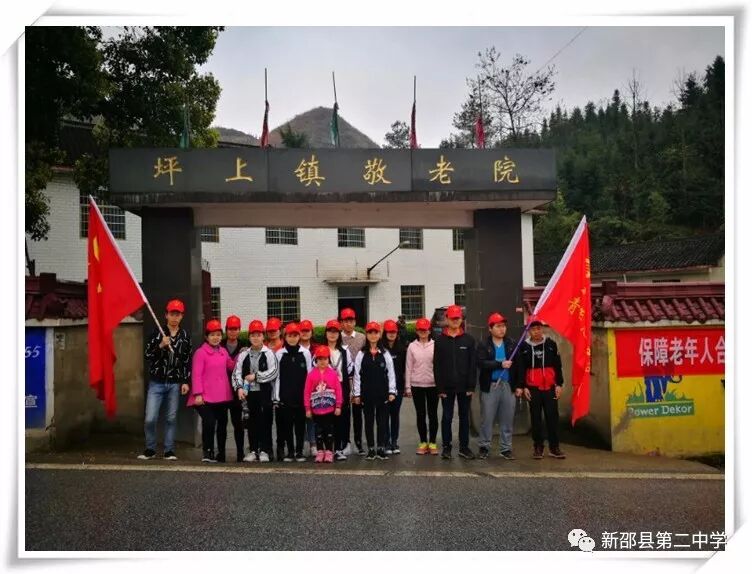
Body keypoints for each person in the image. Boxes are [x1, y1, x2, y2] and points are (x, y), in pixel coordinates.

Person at [139, 299, 192, 461]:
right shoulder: (157, 333)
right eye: (172, 314)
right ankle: (150, 449)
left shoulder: (185, 336)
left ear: (182, 316)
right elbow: (147, 355)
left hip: (174, 383)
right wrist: (161, 345)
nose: (175, 317)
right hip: (157, 382)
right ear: (166, 315)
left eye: (178, 314)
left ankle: (169, 450)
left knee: (171, 418)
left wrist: (185, 381)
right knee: (150, 418)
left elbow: (187, 361)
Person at [516, 320, 566, 460]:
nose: (536, 331)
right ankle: (538, 446)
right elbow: (521, 368)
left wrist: (559, 384)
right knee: (535, 418)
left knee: (552, 418)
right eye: (533, 329)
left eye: (538, 328)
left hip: (550, 388)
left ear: (542, 329)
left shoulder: (551, 344)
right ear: (528, 331)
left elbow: (558, 366)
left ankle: (554, 447)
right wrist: (524, 386)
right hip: (533, 389)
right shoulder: (524, 347)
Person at [433, 304, 477, 460]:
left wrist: (471, 385)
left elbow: (472, 365)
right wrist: (440, 388)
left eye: (457, 318)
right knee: (447, 417)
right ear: (447, 319)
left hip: (464, 386)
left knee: (464, 417)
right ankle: (446, 447)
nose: (455, 321)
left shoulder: (469, 340)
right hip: (446, 387)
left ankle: (464, 447)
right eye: (452, 318)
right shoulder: (440, 341)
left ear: (461, 319)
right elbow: (437, 365)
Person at [188, 319, 234, 462]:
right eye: (212, 335)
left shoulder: (223, 351)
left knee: (222, 425)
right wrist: (198, 394)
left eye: (218, 335)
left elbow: (231, 366)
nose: (216, 337)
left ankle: (221, 453)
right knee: (209, 422)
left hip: (223, 396)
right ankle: (207, 452)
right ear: (206, 337)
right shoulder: (200, 353)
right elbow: (196, 374)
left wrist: (243, 356)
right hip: (205, 396)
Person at [232, 320, 279, 463]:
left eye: (258, 335)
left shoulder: (269, 353)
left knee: (265, 422)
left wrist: (257, 377)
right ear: (249, 337)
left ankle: (265, 450)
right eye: (253, 335)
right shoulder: (243, 354)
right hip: (249, 394)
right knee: (251, 422)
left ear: (263, 336)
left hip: (264, 393)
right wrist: (239, 388)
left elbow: (274, 372)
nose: (256, 338)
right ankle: (253, 450)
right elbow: (236, 373)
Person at [476, 312, 520, 460]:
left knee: (507, 419)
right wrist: (500, 364)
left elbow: (518, 366)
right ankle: (484, 446)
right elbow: (481, 363)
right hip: (490, 385)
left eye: (503, 326)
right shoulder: (484, 344)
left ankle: (506, 448)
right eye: (498, 326)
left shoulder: (512, 344)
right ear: (490, 328)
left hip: (507, 385)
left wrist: (519, 385)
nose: (502, 329)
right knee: (487, 418)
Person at [353, 321, 397, 461]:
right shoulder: (361, 354)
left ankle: (381, 448)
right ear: (366, 335)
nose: (373, 335)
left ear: (379, 335)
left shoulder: (385, 353)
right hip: (366, 394)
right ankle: (371, 448)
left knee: (382, 421)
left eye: (375, 332)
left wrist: (392, 391)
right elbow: (357, 375)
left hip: (382, 393)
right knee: (369, 421)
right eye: (370, 332)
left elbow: (391, 374)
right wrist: (357, 394)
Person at [273, 322, 313, 462]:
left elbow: (309, 375)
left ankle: (299, 452)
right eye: (290, 336)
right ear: (285, 337)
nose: (292, 338)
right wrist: (277, 396)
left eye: (295, 335)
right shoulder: (279, 354)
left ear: (299, 336)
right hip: (285, 396)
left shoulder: (305, 353)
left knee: (300, 426)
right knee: (287, 426)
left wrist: (309, 396)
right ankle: (290, 452)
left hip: (301, 396)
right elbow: (277, 377)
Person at [405, 317, 439, 455]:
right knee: (420, 414)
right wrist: (408, 386)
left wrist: (441, 384)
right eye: (420, 330)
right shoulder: (412, 346)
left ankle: (433, 442)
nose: (423, 332)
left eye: (425, 329)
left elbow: (439, 366)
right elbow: (408, 367)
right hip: (416, 385)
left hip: (433, 385)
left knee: (433, 414)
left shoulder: (435, 345)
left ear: (429, 330)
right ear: (417, 331)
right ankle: (423, 442)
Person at [304, 346, 343, 464]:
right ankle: (320, 451)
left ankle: (329, 451)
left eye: (325, 359)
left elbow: (338, 390)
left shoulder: (333, 374)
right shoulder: (311, 374)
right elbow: (307, 392)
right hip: (316, 410)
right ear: (316, 360)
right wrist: (307, 408)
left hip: (329, 409)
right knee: (318, 432)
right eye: (320, 359)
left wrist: (338, 406)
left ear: (328, 360)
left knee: (329, 431)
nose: (322, 361)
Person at [324, 319, 354, 460]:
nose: (332, 334)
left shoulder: (344, 351)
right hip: (325, 389)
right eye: (330, 331)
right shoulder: (321, 350)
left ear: (339, 334)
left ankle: (339, 448)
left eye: (335, 332)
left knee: (341, 418)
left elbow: (350, 371)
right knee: (326, 419)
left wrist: (351, 391)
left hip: (341, 388)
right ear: (326, 333)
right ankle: (327, 449)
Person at [340, 308, 366, 455]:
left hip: (358, 380)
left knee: (357, 413)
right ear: (341, 323)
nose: (348, 324)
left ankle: (358, 441)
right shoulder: (338, 338)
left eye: (351, 321)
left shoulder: (362, 338)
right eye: (345, 321)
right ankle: (345, 442)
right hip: (343, 381)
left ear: (355, 322)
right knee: (344, 414)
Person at [221, 314, 245, 462]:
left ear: (239, 330)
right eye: (230, 329)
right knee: (222, 423)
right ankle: (221, 454)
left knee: (238, 423)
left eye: (235, 329)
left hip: (237, 391)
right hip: (221, 390)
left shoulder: (244, 347)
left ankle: (240, 453)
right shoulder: (219, 345)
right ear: (226, 330)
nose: (232, 331)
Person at [381, 319, 406, 454]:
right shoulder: (380, 348)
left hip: (398, 387)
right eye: (389, 332)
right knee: (385, 414)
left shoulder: (402, 348)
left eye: (394, 332)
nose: (391, 334)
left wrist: (406, 387)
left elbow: (405, 368)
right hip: (383, 387)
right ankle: (386, 442)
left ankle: (394, 442)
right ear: (385, 333)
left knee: (395, 414)